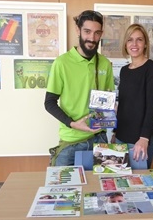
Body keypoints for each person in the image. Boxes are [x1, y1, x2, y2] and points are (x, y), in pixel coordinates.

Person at [45, 10, 115, 166]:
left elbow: (108, 99)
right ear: (78, 30)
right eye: (87, 31)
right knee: (63, 190)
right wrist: (72, 123)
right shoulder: (62, 63)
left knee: (100, 189)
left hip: (100, 139)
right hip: (71, 142)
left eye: (97, 33)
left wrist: (112, 110)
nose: (92, 38)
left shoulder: (105, 63)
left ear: (101, 34)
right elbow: (49, 102)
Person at [111, 24, 153, 168]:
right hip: (121, 138)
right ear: (125, 44)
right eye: (130, 40)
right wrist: (115, 132)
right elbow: (123, 105)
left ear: (145, 44)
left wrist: (144, 138)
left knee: (139, 186)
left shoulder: (152, 69)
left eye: (139, 40)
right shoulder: (124, 71)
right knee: (120, 184)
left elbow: (152, 107)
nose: (134, 44)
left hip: (140, 141)